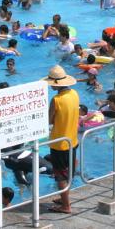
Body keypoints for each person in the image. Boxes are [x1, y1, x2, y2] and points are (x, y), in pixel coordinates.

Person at [45, 65, 79, 214]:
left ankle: (66, 206)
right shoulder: (74, 94)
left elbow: (49, 120)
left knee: (60, 176)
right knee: (68, 172)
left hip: (59, 143)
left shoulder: (56, 100)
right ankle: (65, 198)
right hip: (72, 139)